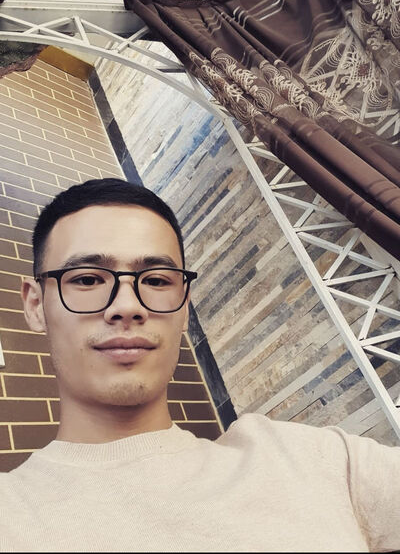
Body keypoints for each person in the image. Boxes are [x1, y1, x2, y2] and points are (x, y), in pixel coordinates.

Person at [0, 177, 399, 552]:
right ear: (35, 305)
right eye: (87, 279)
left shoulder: (315, 461)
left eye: (156, 280)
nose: (127, 306)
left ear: (185, 308)